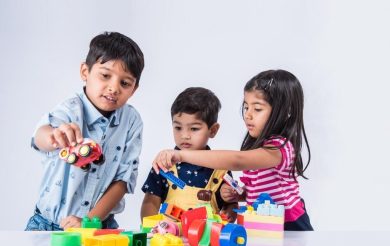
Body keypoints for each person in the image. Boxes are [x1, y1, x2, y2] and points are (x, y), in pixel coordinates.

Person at [153, 70, 314, 231]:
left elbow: (238, 160)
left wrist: (181, 155)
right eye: (246, 107)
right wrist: (241, 195)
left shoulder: (280, 148)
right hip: (263, 224)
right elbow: (263, 190)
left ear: (285, 112)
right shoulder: (262, 146)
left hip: (290, 225)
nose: (248, 115)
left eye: (257, 109)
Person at [25, 32, 145, 231]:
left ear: (134, 89)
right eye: (105, 75)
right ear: (85, 72)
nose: (114, 88)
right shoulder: (70, 109)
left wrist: (89, 221)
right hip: (48, 225)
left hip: (99, 226)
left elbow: (123, 180)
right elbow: (40, 136)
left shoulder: (131, 121)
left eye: (125, 83)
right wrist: (54, 136)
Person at [141, 87, 238, 222]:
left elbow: (231, 205)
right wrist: (150, 230)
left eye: (194, 129)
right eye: (178, 128)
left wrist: (230, 210)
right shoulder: (164, 164)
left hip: (206, 240)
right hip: (169, 239)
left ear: (213, 130)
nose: (185, 136)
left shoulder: (221, 169)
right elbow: (150, 202)